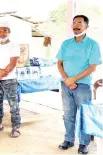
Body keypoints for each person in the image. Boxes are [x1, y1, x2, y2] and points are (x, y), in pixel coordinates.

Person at [56, 15, 101, 154]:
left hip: (82, 86)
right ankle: (69, 139)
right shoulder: (66, 43)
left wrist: (73, 79)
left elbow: (92, 67)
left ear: (86, 26)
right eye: (74, 23)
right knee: (68, 114)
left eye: (79, 23)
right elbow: (59, 63)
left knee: (84, 115)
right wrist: (66, 79)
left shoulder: (93, 44)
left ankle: (83, 143)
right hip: (66, 84)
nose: (76, 25)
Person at [0, 21, 21, 138]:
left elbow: (12, 63)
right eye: (0, 31)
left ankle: (15, 128)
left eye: (4, 31)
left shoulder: (14, 45)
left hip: (9, 79)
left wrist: (0, 75)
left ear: (9, 32)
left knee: (13, 104)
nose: (2, 33)